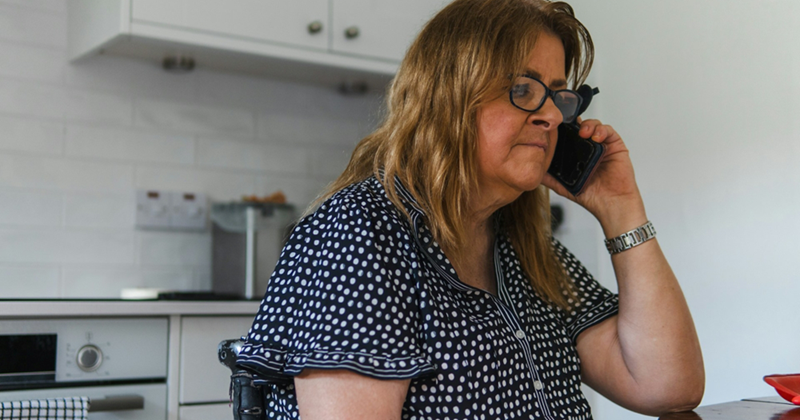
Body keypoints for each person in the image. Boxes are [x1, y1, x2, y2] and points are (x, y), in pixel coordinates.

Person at [235, 0, 705, 418]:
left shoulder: (525, 249)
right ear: (448, 97)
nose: (551, 116)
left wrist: (621, 210)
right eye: (523, 89)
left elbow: (668, 388)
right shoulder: (360, 233)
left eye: (559, 96)